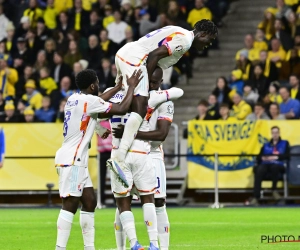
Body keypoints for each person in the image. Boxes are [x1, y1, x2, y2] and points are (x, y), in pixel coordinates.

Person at [109, 19, 218, 186]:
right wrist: (145, 88)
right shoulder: (185, 40)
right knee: (140, 107)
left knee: (118, 95)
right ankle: (119, 158)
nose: (207, 45)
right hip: (135, 58)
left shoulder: (179, 31)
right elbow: (154, 56)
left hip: (126, 53)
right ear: (202, 34)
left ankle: (99, 127)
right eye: (208, 41)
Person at [54, 69, 143, 250]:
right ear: (93, 85)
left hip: (74, 158)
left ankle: (89, 247)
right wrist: (130, 87)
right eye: (97, 83)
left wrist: (118, 87)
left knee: (89, 201)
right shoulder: (90, 101)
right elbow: (121, 108)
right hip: (73, 159)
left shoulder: (73, 98)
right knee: (69, 204)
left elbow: (99, 100)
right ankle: (59, 248)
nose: (99, 86)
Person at [105, 67, 183, 250]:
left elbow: (162, 134)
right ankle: (124, 246)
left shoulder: (163, 101)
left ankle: (160, 247)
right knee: (125, 202)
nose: (155, 86)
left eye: (158, 82)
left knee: (158, 201)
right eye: (152, 82)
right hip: (138, 153)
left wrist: (130, 133)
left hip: (152, 153)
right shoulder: (142, 97)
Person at [251, 126, 290, 205]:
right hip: (265, 164)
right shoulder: (266, 145)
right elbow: (259, 157)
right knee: (259, 169)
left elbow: (287, 155)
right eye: (273, 133)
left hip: (277, 164)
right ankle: (256, 197)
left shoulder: (285, 143)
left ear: (279, 133)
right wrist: (263, 158)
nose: (275, 134)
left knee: (274, 167)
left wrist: (276, 157)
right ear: (271, 134)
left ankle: (274, 190)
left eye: (276, 132)